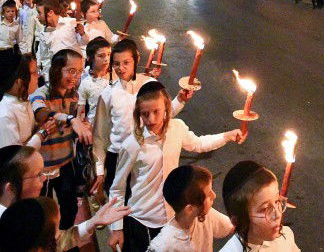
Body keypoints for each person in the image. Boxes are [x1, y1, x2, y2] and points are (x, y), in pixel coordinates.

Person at [108, 81, 243, 252]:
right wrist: (116, 228)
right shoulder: (132, 144)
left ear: (166, 108)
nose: (151, 119)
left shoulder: (177, 128)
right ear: (138, 114)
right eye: (145, 114)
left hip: (173, 215)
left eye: (156, 112)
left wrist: (227, 136)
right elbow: (118, 188)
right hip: (143, 220)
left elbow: (199, 144)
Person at [91, 40, 190, 199]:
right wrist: (100, 170)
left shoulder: (151, 84)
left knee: (141, 203)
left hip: (145, 154)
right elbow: (100, 135)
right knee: (117, 201)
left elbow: (163, 117)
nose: (121, 68)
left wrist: (179, 100)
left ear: (136, 59)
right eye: (116, 64)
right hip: (118, 156)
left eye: (126, 63)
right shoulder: (108, 93)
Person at [31, 49, 93, 231]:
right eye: (71, 70)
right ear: (57, 69)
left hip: (65, 162)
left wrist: (83, 125)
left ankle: (66, 240)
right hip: (44, 166)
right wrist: (70, 120)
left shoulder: (74, 95)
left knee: (70, 206)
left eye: (80, 71)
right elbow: (40, 114)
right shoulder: (41, 93)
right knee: (43, 212)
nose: (76, 76)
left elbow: (73, 125)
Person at [0, 52, 52, 178]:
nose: (38, 76)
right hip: (2, 184)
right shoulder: (3, 117)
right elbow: (15, 160)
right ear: (19, 82)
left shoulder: (23, 101)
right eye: (33, 73)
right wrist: (42, 133)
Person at [149, 164, 234, 252]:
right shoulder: (163, 245)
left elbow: (230, 227)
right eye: (208, 194)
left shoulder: (206, 215)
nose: (214, 195)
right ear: (190, 209)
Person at [218, 160, 300, 252]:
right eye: (265, 209)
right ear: (238, 221)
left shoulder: (285, 235)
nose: (277, 214)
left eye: (277, 201)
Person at [78, 37, 112, 125]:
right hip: (95, 128)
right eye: (101, 56)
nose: (106, 59)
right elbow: (80, 114)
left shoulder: (117, 75)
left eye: (109, 54)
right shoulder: (86, 83)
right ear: (90, 58)